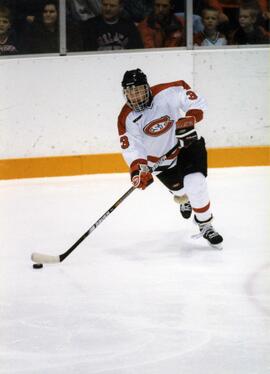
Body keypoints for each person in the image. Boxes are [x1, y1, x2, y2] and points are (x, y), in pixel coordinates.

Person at [117, 69, 223, 249]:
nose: (134, 96)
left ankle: (205, 224)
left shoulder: (168, 92)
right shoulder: (126, 117)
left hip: (185, 145)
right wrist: (138, 170)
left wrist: (190, 118)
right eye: (130, 92)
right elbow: (134, 149)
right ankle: (185, 200)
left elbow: (195, 102)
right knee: (181, 193)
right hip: (160, 162)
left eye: (138, 91)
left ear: (147, 88)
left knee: (195, 183)